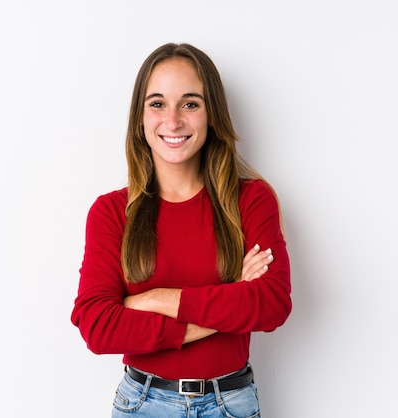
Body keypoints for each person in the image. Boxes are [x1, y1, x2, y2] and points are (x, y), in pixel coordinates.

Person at [71, 42, 292, 417]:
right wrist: (233, 296)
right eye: (157, 103)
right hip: (143, 404)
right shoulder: (111, 212)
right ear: (140, 118)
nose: (172, 121)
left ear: (211, 115)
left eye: (190, 103)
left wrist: (155, 300)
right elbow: (97, 326)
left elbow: (272, 304)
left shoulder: (251, 200)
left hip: (231, 405)